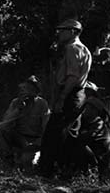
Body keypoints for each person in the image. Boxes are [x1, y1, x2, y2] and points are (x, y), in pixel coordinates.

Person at [37, 17, 92, 175]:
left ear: (73, 32)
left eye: (63, 30)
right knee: (68, 133)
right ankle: (72, 169)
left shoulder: (72, 49)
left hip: (70, 94)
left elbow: (72, 77)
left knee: (54, 134)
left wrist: (61, 98)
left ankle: (48, 171)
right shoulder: (85, 49)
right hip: (78, 95)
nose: (59, 34)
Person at [0, 75, 50, 168]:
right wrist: (18, 109)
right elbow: (4, 124)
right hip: (19, 137)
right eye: (24, 88)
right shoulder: (16, 102)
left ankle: (28, 158)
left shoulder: (42, 104)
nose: (25, 91)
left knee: (27, 163)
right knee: (0, 129)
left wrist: (37, 144)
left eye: (29, 88)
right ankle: (9, 159)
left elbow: (46, 128)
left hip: (34, 141)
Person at [69, 81, 110, 179]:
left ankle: (88, 173)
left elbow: (86, 137)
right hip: (93, 151)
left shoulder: (99, 121)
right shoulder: (85, 117)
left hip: (99, 157)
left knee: (77, 144)